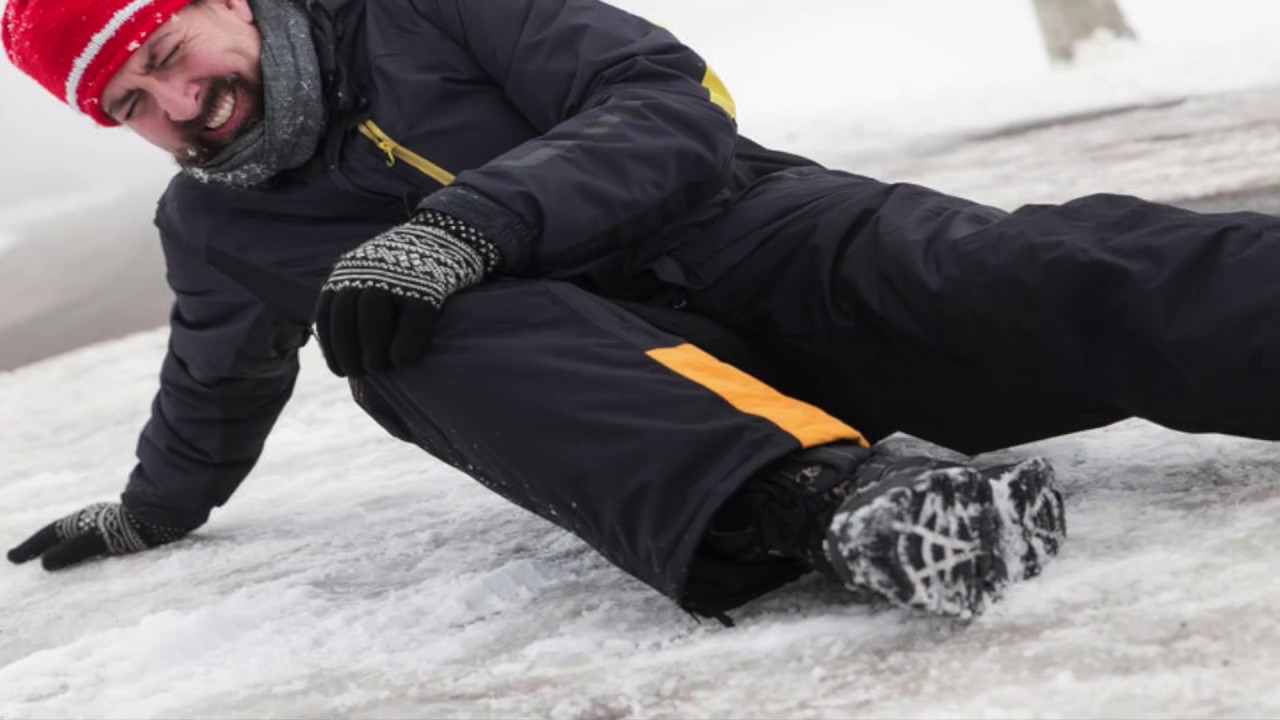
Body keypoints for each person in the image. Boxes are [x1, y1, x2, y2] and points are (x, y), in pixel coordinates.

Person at [25, 0, 1279, 626]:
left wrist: (472, 220)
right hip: (637, 414)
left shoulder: (419, 10)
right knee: (396, 332)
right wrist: (150, 509)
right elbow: (217, 378)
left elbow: (668, 100)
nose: (179, 107)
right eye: (132, 103)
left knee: (1051, 271)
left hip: (772, 246)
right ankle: (833, 515)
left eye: (168, 53)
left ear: (227, 2)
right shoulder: (214, 227)